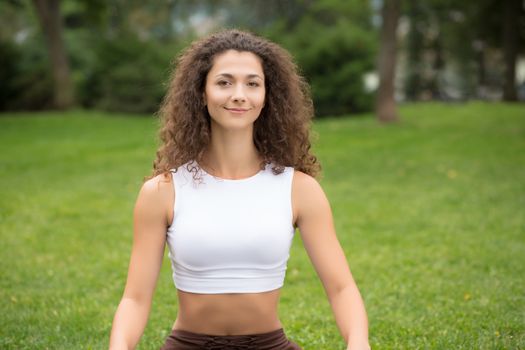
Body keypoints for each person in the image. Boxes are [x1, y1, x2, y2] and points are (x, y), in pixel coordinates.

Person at [109, 29, 370, 350]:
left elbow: (341, 288)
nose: (239, 94)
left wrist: (359, 344)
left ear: (267, 95)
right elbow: (135, 299)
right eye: (224, 82)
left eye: (252, 83)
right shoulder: (163, 191)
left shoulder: (299, 189)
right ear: (201, 93)